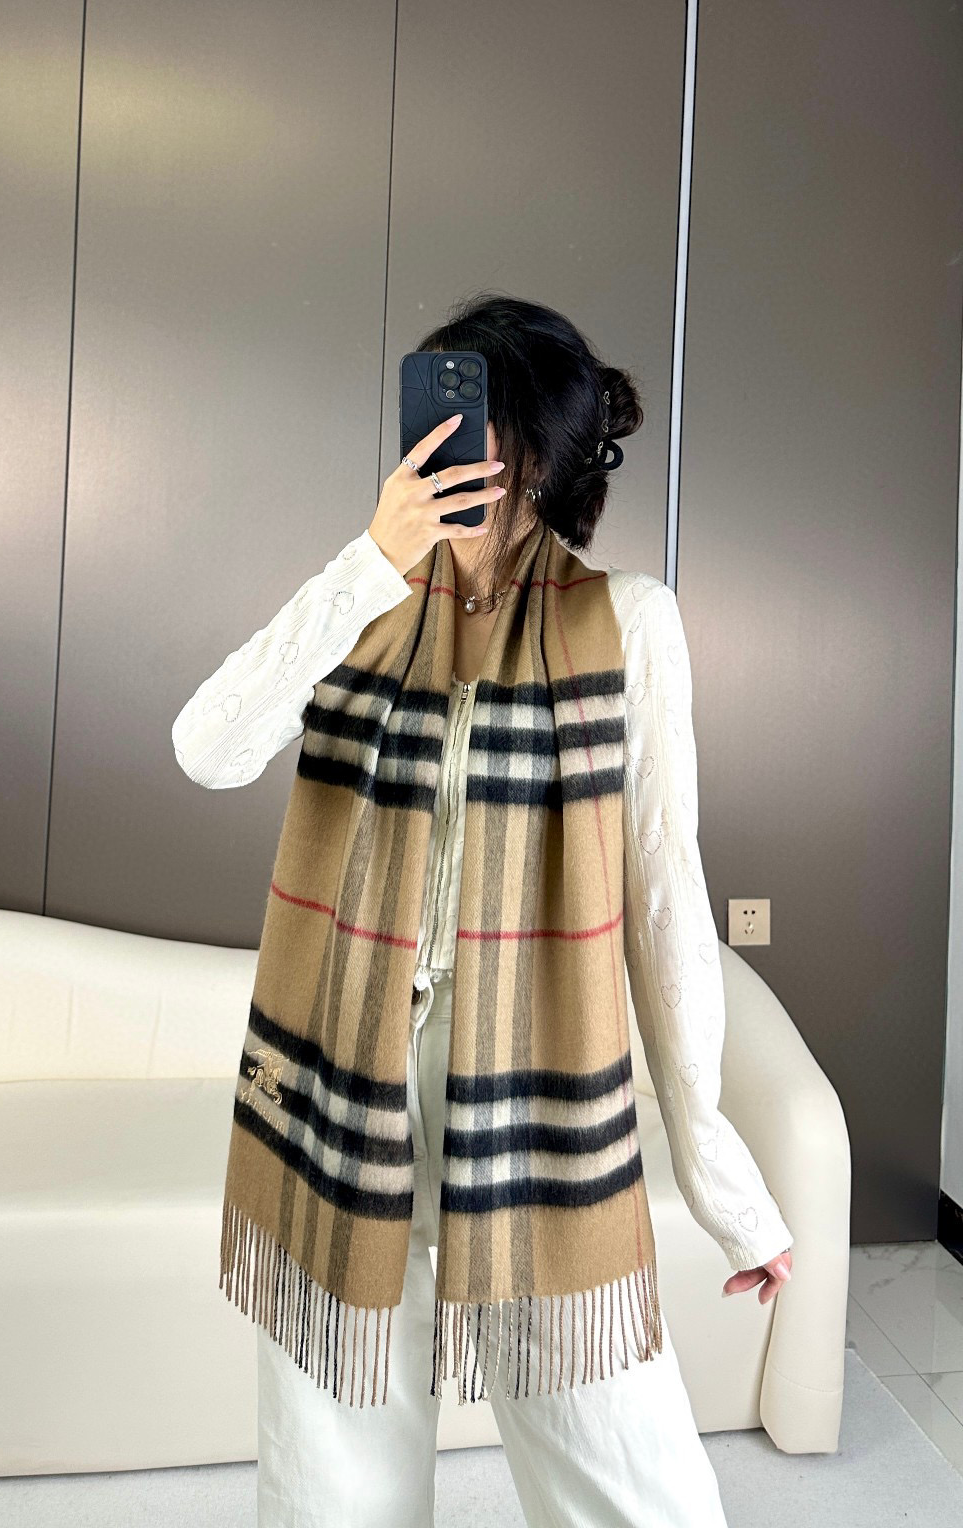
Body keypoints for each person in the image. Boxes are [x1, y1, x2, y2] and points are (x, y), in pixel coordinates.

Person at [173, 294, 793, 1527]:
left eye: (485, 424)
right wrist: (367, 559)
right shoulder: (362, 603)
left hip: (531, 1077)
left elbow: (663, 895)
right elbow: (207, 748)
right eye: (440, 416)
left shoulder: (625, 621)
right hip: (342, 1069)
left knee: (625, 1469)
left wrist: (720, 1177)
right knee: (330, 1467)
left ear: (542, 454)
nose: (454, 451)